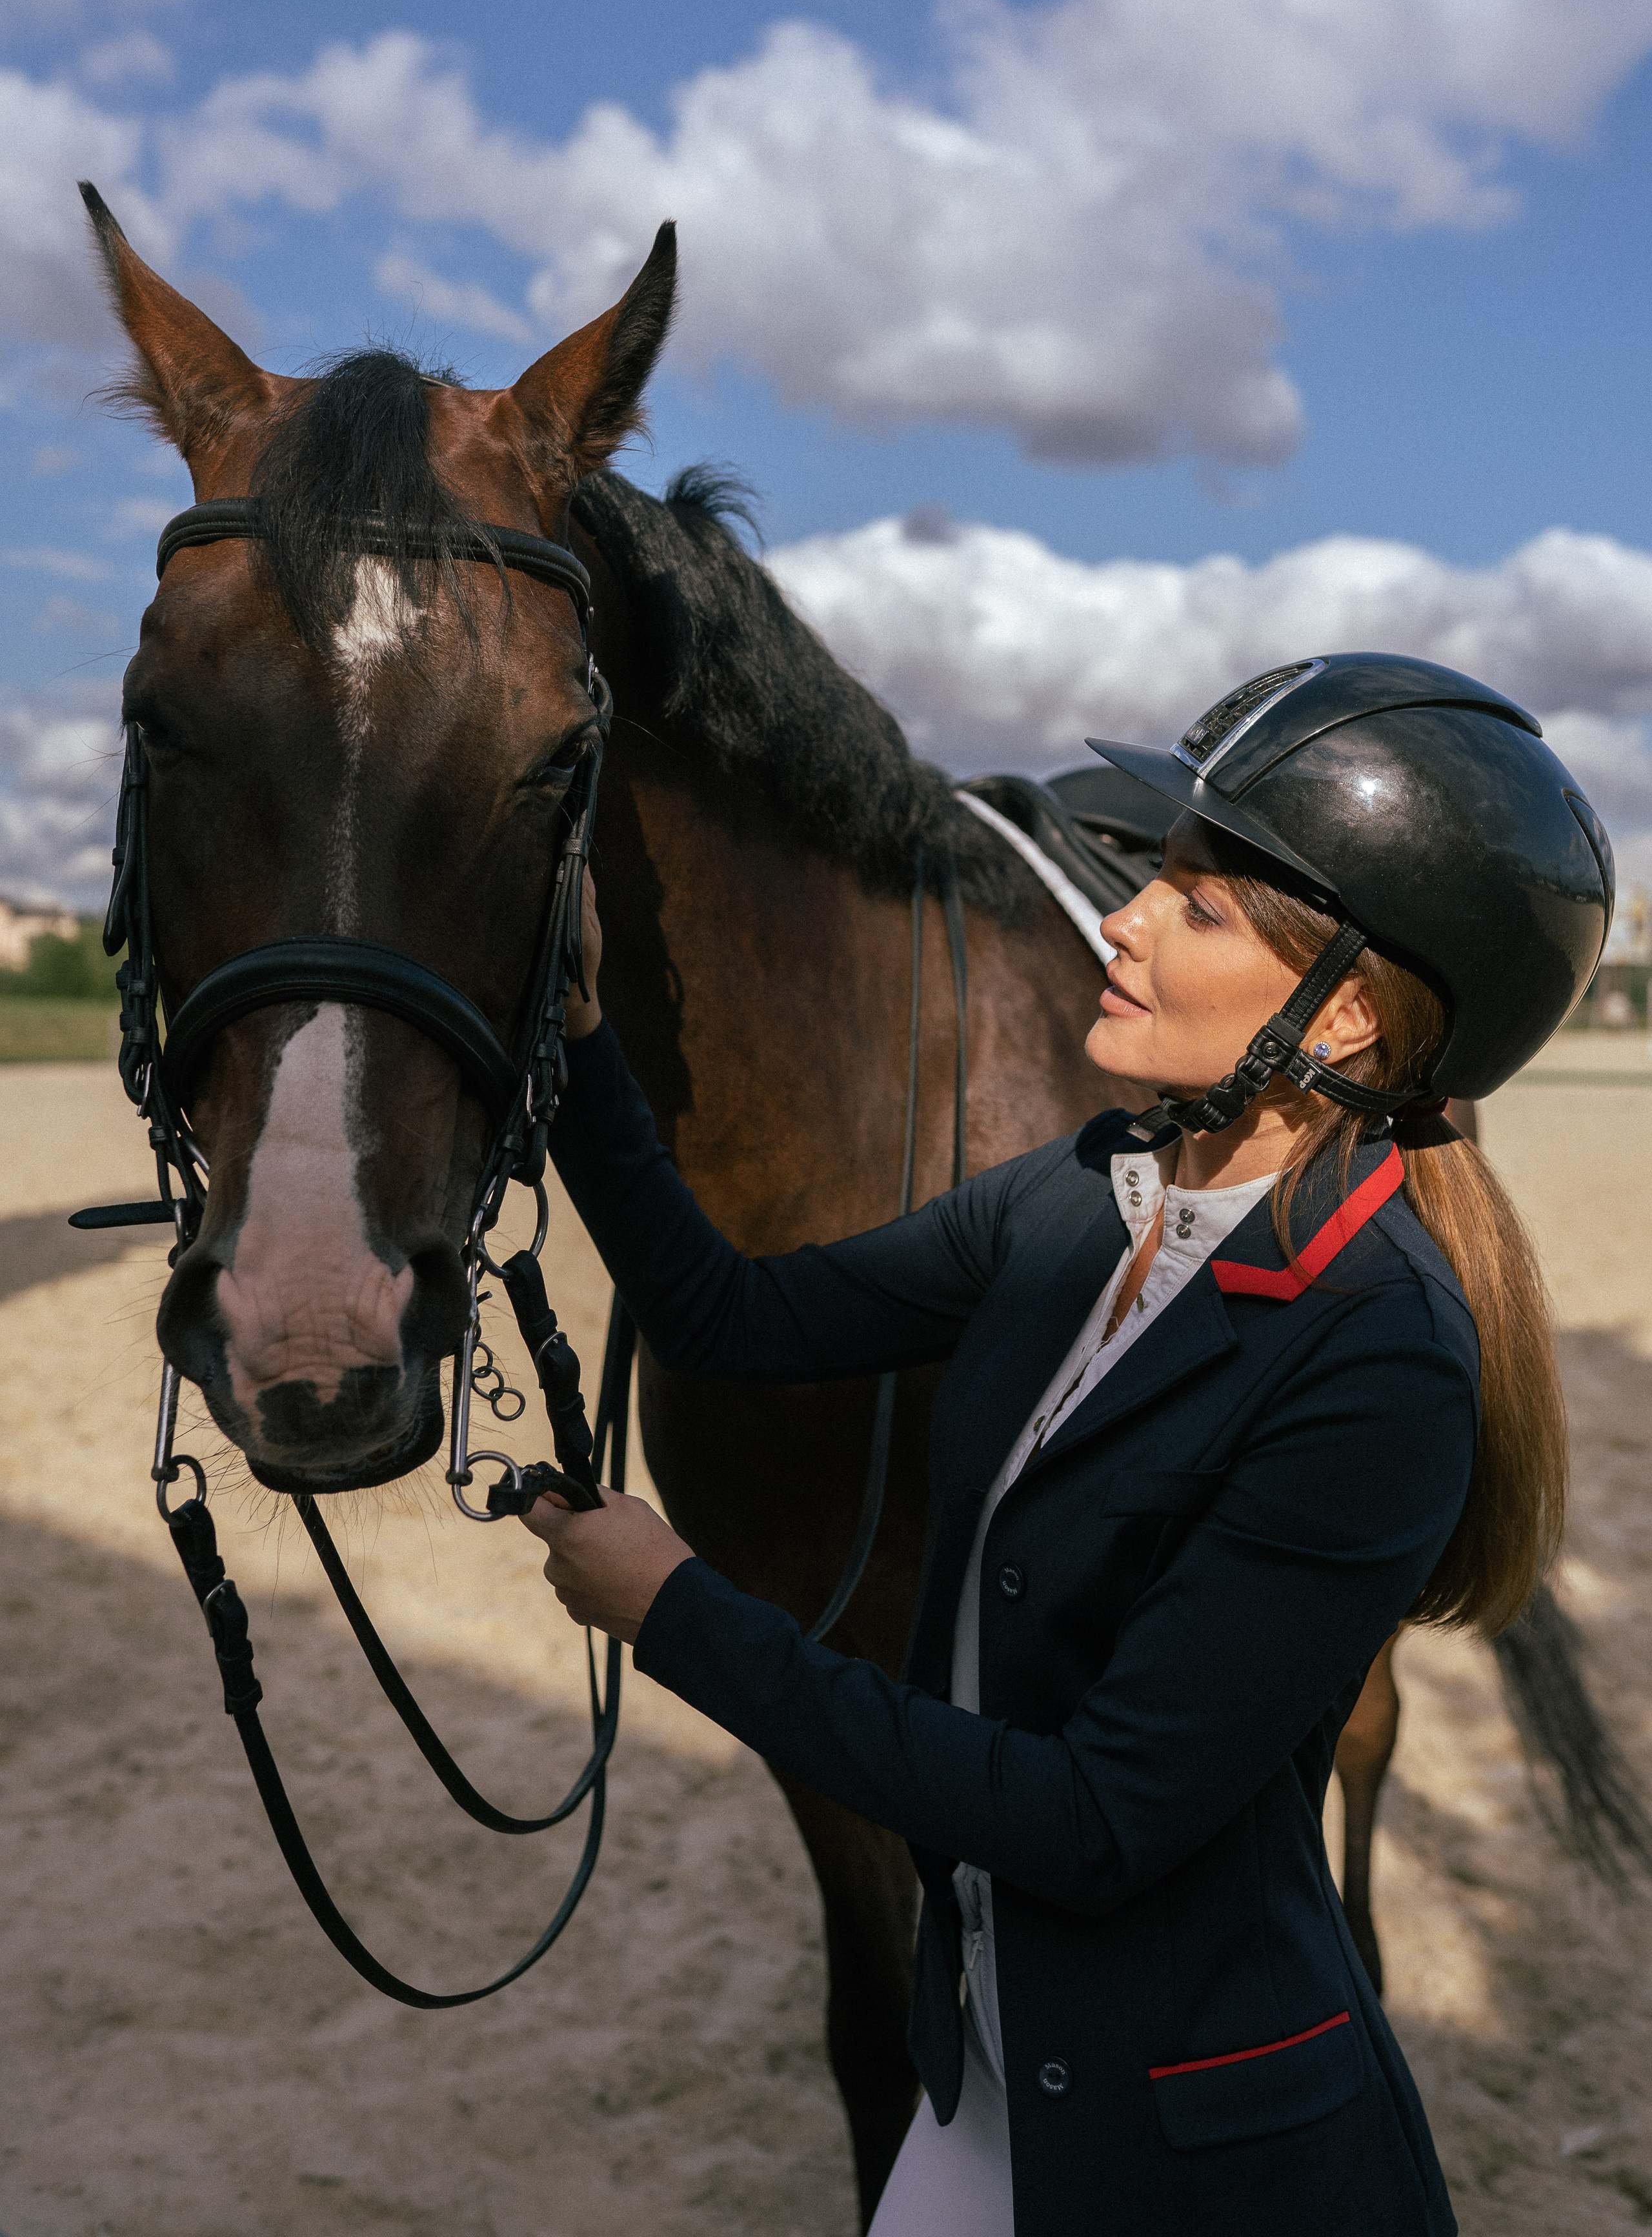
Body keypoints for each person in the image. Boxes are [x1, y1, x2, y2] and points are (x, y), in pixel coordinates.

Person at [521, 654, 1611, 2236]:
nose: (1119, 918)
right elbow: (731, 1321)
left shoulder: (1377, 1359)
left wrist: (677, 1613)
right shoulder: (1083, 1193)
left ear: (1349, 1013)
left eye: (1195, 904)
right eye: (1149, 878)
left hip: (1188, 2147)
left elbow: (1091, 1822)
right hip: (981, 2070)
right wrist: (574, 1041)